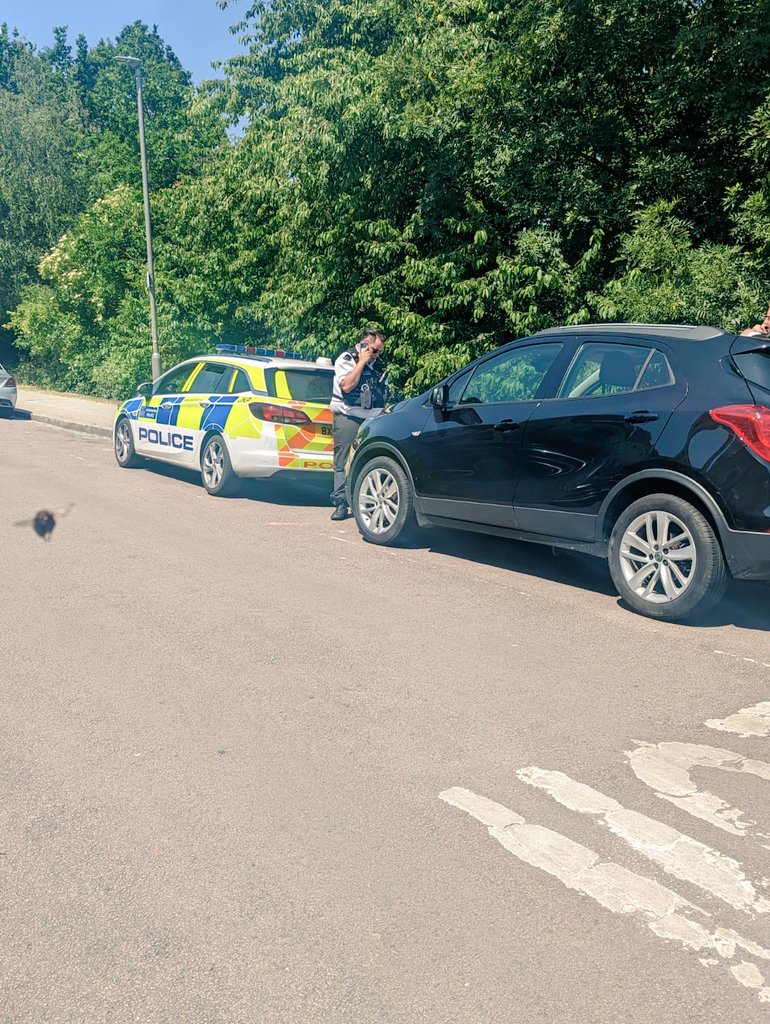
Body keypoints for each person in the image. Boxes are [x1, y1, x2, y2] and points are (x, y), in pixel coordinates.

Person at [329, 328, 388, 520]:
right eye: (374, 350)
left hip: (373, 420)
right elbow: (346, 386)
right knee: (343, 461)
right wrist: (362, 361)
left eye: (379, 351)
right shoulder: (347, 359)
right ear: (364, 343)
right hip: (349, 417)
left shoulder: (377, 364)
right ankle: (340, 503)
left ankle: (365, 502)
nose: (376, 355)